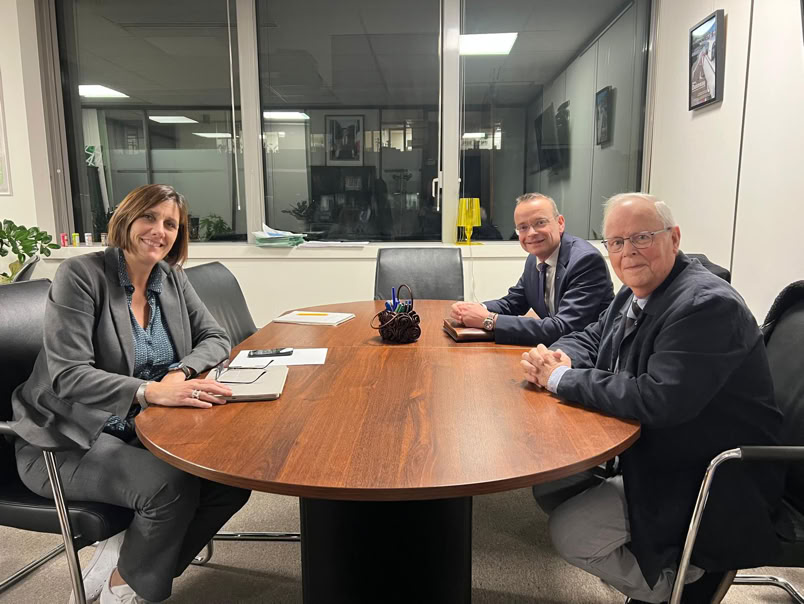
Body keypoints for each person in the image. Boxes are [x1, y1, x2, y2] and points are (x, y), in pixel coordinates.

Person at [521, 193, 785, 603]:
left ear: (674, 238)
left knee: (572, 532)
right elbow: (593, 335)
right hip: (660, 450)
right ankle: (656, 557)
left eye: (641, 237)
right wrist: (561, 356)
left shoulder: (705, 305)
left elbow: (657, 398)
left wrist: (560, 379)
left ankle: (679, 586)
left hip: (708, 473)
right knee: (552, 484)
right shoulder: (637, 290)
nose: (627, 251)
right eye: (616, 242)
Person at [11, 184, 251, 603]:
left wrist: (178, 373)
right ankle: (125, 591)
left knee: (229, 480)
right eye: (149, 217)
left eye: (171, 224)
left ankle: (127, 566)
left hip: (144, 431)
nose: (160, 231)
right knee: (169, 486)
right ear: (126, 219)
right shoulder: (81, 276)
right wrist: (148, 391)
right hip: (65, 440)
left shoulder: (170, 278)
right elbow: (68, 375)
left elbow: (215, 337)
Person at [450, 193, 613, 346]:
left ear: (560, 223)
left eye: (540, 223)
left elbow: (563, 328)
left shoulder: (585, 261)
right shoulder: (534, 259)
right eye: (523, 227)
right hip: (557, 349)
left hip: (591, 354)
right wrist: (475, 309)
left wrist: (490, 320)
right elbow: (513, 303)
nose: (531, 233)